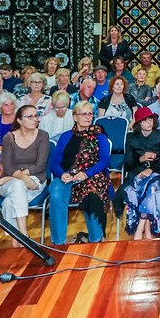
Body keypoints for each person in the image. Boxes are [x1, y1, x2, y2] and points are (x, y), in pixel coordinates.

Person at [48, 101, 112, 245]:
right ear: (75, 116)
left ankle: (95, 240)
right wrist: (61, 174)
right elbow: (54, 163)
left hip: (91, 176)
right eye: (84, 114)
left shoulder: (99, 136)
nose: (88, 117)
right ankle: (59, 243)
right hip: (67, 176)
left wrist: (86, 174)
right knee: (57, 194)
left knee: (92, 195)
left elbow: (104, 161)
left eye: (90, 113)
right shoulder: (66, 136)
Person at [0, 104, 51, 247]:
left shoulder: (43, 136)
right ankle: (23, 234)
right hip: (11, 183)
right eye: (29, 116)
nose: (34, 119)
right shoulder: (9, 138)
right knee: (18, 185)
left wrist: (12, 177)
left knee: (9, 201)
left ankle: (16, 239)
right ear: (19, 120)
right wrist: (18, 178)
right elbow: (7, 166)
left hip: (34, 180)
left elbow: (40, 165)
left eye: (36, 116)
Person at [114, 106, 160, 239]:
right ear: (139, 123)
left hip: (155, 172)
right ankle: (148, 231)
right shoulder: (131, 137)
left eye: (151, 119)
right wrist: (141, 158)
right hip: (136, 173)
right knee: (142, 189)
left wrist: (151, 169)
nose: (149, 122)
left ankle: (140, 229)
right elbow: (127, 163)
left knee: (152, 187)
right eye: (145, 120)